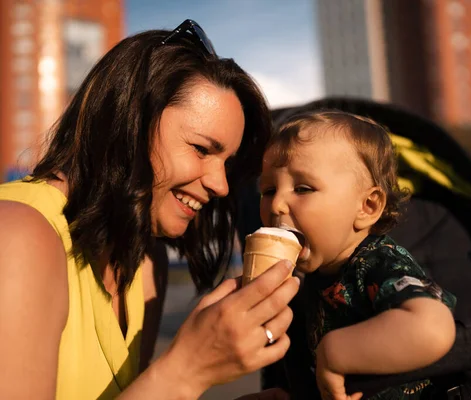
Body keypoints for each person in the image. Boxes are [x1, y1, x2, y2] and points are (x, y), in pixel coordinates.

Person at [0, 19, 299, 400]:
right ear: (129, 121)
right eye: (202, 149)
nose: (220, 185)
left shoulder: (145, 261)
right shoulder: (18, 236)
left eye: (227, 162)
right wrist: (187, 371)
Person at [258, 110, 457, 400]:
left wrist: (336, 351)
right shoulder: (307, 277)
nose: (276, 204)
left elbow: (434, 327)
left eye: (302, 188)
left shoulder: (378, 262)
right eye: (268, 189)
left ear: (367, 206)